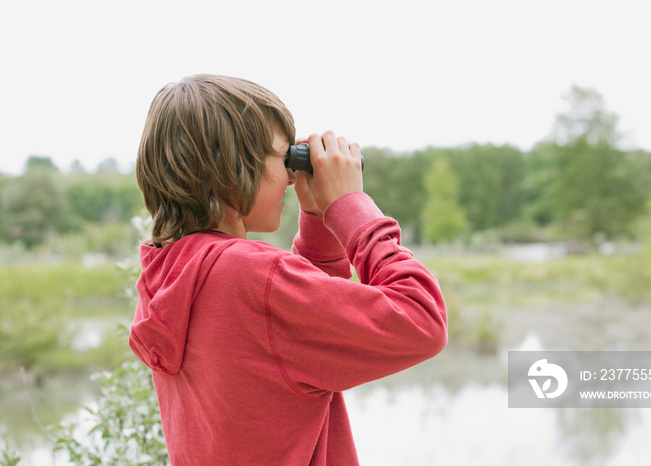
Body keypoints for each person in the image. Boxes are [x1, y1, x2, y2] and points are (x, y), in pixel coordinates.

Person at [129, 74, 448, 465]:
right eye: (285, 158)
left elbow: (296, 338)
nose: (293, 175)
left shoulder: (170, 273)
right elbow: (421, 321)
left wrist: (317, 219)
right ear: (233, 167)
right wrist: (350, 205)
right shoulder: (247, 275)